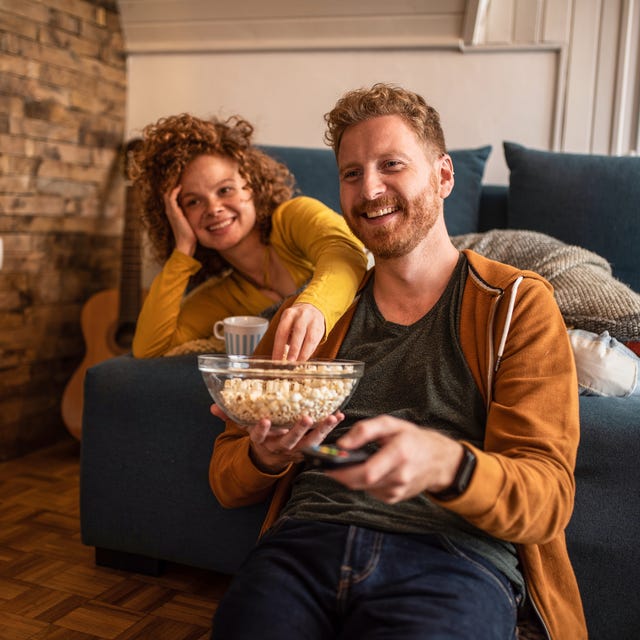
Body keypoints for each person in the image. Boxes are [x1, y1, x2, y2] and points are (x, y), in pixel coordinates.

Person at [208, 84, 587, 639]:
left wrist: (446, 463)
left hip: (455, 556)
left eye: (391, 165)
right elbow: (224, 478)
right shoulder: (310, 317)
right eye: (352, 173)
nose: (371, 189)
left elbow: (546, 497)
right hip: (305, 544)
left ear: (443, 175)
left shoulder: (515, 304)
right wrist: (264, 455)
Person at [130, 113, 368, 360]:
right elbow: (149, 349)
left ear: (251, 185)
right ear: (177, 215)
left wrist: (313, 307)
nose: (213, 208)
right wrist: (182, 248)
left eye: (225, 190)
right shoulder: (219, 296)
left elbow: (346, 252)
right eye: (193, 202)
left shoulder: (293, 216)